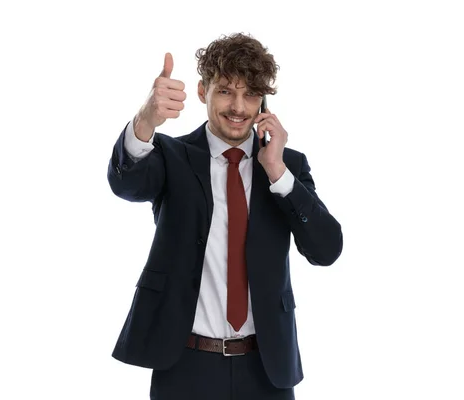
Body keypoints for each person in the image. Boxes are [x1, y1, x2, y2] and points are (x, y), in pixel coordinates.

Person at [107, 32, 343, 400]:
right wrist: (145, 121)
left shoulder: (287, 164)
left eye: (250, 94)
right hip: (186, 365)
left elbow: (326, 249)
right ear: (203, 91)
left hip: (265, 368)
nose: (238, 106)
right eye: (225, 91)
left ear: (263, 100)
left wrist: (278, 173)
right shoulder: (172, 155)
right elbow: (126, 183)